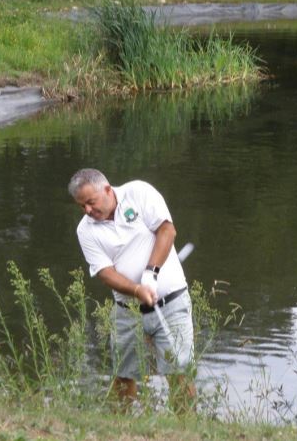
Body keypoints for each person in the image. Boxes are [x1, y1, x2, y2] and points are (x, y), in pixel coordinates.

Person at [68, 168, 196, 412]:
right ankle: (120, 428)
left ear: (107, 190)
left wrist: (151, 273)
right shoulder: (85, 230)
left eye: (91, 202)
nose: (87, 210)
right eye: (81, 206)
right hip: (128, 311)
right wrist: (137, 289)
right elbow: (106, 272)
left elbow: (167, 230)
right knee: (124, 375)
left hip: (171, 303)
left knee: (178, 373)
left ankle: (187, 431)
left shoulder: (138, 192)